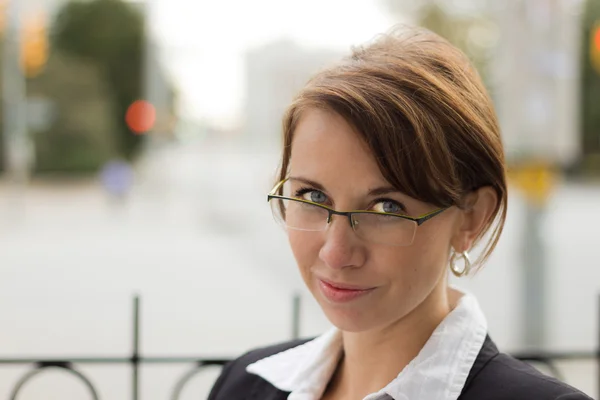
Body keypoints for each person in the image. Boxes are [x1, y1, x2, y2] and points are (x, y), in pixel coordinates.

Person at [208, 26, 592, 400]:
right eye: (312, 196)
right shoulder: (242, 385)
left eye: (386, 207)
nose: (335, 253)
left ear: (471, 217)